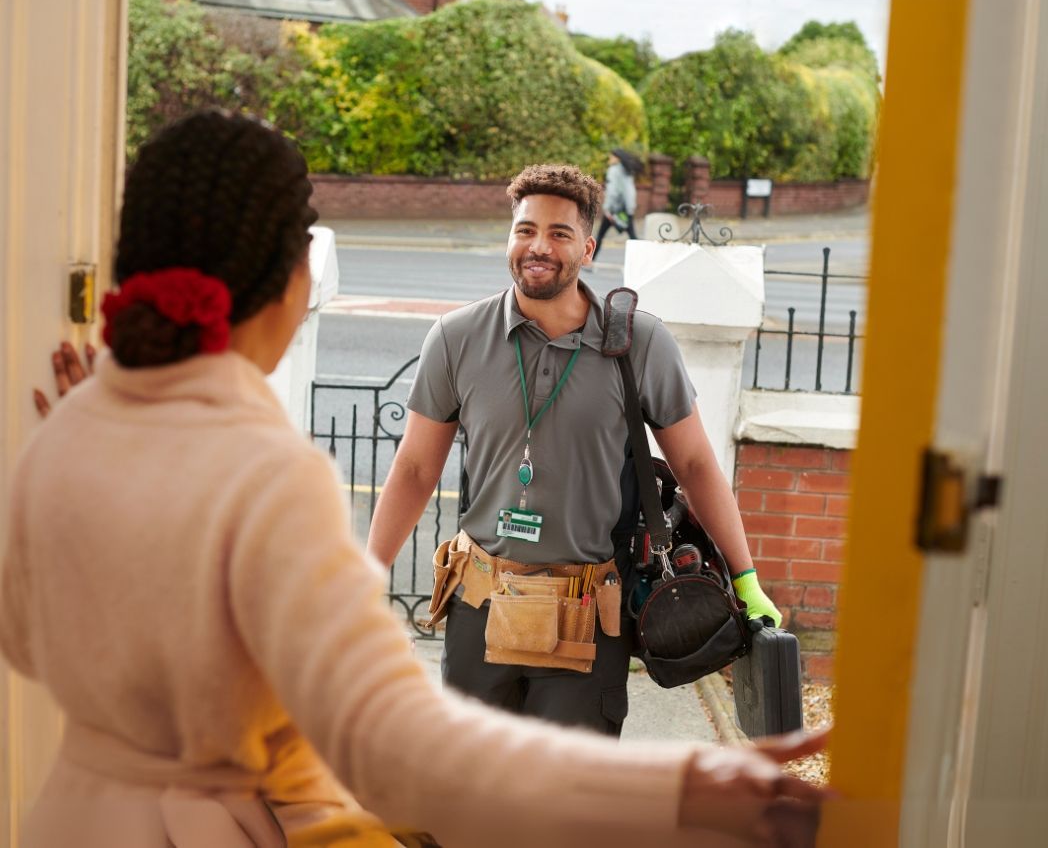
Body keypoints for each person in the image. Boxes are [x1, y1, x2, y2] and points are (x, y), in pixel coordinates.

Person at [2, 111, 825, 848]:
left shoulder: (70, 433)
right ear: (294, 281)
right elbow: (407, 741)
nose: (538, 246)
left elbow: (26, 641)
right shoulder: (269, 476)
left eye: (559, 233)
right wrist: (677, 790)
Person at [367, 163, 782, 738]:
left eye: (559, 233)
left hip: (589, 619)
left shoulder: (639, 343)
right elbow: (414, 470)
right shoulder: (456, 338)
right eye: (525, 230)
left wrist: (745, 577)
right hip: (480, 608)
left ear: (588, 247)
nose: (539, 246)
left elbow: (694, 465)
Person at [592, 148, 641, 262]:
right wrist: (630, 208)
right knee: (632, 236)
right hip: (625, 210)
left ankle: (590, 260)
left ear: (617, 158)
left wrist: (607, 208)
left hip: (614, 210)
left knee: (600, 235)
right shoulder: (627, 171)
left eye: (611, 157)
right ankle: (642, 259)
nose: (610, 159)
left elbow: (612, 192)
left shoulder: (613, 170)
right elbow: (630, 191)